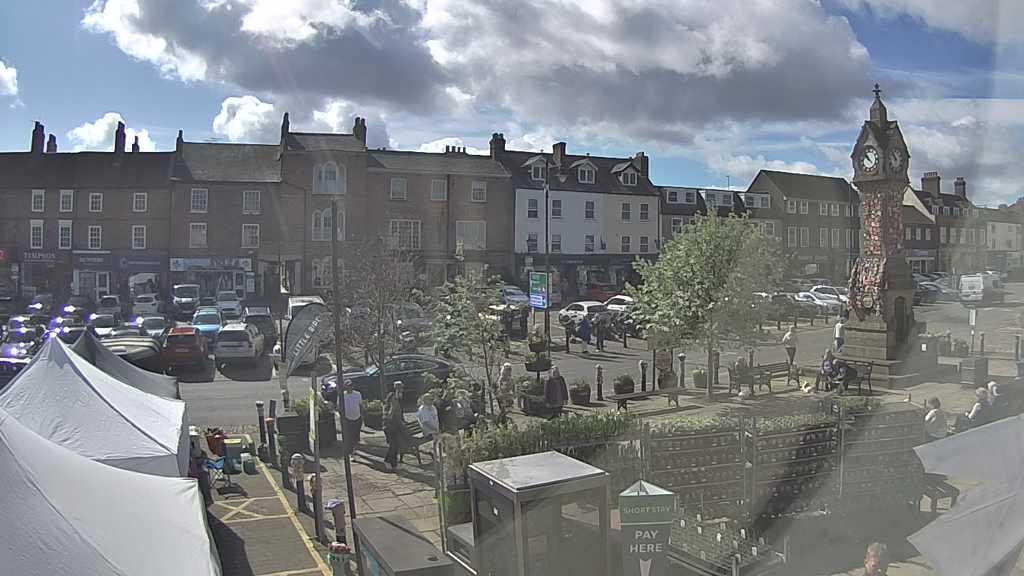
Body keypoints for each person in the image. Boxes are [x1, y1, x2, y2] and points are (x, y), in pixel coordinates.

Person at [383, 381, 412, 471]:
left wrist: (402, 421)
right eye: (401, 389)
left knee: (396, 444)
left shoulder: (396, 398)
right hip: (390, 426)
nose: (402, 391)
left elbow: (398, 413)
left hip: (394, 426)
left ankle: (394, 464)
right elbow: (391, 414)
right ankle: (387, 461)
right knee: (393, 445)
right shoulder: (394, 398)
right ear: (397, 389)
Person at [339, 379, 362, 457]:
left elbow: (360, 405)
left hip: (357, 418)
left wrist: (362, 417)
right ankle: (350, 452)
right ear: (345, 387)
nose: (350, 387)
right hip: (347, 419)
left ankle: (354, 450)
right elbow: (339, 408)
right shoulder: (342, 396)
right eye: (348, 386)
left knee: (355, 436)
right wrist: (342, 418)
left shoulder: (358, 394)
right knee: (349, 436)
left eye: (351, 386)